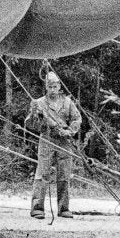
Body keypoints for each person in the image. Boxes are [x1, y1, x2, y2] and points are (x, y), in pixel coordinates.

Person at [28, 68, 84, 222]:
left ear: (60, 86)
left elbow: (77, 119)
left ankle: (64, 208)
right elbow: (31, 125)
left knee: (64, 175)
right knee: (42, 174)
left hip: (64, 142)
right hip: (46, 140)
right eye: (50, 86)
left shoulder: (67, 102)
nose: (52, 89)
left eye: (55, 86)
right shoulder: (39, 103)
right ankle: (37, 208)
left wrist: (70, 131)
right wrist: (35, 115)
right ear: (46, 87)